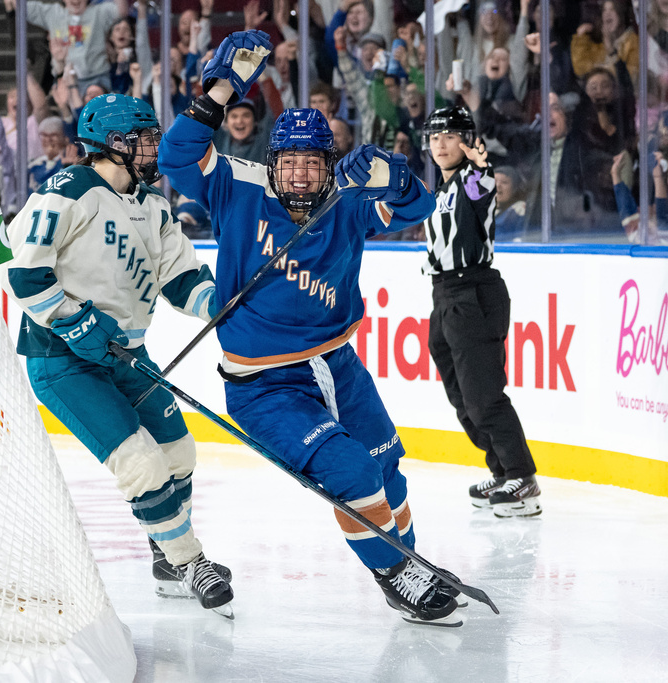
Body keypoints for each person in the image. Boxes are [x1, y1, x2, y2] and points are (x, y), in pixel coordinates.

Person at [160, 30, 463, 627]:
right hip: (264, 385)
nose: (299, 173)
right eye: (290, 160)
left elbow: (418, 208)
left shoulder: (347, 197)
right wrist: (221, 89)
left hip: (338, 366)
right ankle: (396, 573)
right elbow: (174, 156)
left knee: (387, 468)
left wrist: (395, 178)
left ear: (329, 162)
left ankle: (408, 556)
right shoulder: (236, 185)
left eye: (312, 161)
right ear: (273, 158)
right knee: (352, 473)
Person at [3, 93, 233, 616]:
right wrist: (73, 318)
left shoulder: (153, 204)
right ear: (112, 144)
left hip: (126, 352)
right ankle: (190, 561)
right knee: (141, 462)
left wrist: (222, 306)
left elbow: (181, 278)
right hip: (62, 360)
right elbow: (23, 271)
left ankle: (165, 558)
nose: (154, 146)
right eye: (145, 138)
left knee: (179, 454)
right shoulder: (70, 190)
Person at [420, 105, 541, 518]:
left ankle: (522, 476)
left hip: (473, 292)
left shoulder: (473, 180)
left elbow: (484, 187)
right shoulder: (439, 190)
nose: (440, 143)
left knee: (484, 394)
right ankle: (502, 468)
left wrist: (483, 162)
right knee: (463, 398)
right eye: (434, 136)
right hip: (444, 297)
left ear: (468, 141)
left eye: (450, 136)